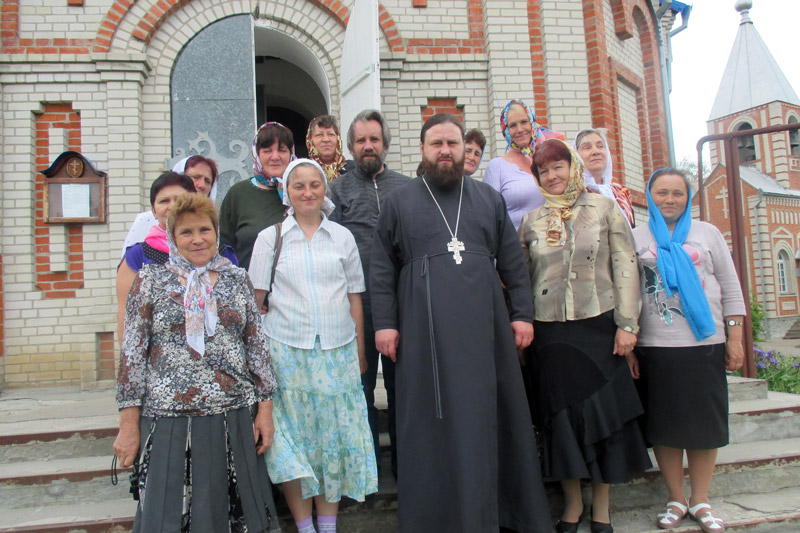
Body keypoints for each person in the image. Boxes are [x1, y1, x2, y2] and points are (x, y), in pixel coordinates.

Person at [369, 113, 551, 532]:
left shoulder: (488, 198)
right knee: (430, 422)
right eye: (437, 145)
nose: (446, 152)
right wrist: (385, 324)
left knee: (490, 416)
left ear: (464, 149)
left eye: (453, 144)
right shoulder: (399, 201)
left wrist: (522, 314)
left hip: (485, 330)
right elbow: (381, 268)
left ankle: (498, 513)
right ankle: (437, 517)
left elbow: (513, 262)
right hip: (421, 330)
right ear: (422, 150)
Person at [113, 193, 280, 532]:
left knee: (235, 514)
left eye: (205, 229)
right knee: (169, 516)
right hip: (169, 421)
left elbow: (257, 349)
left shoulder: (237, 279)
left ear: (217, 233)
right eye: (186, 232)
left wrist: (265, 412)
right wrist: (128, 426)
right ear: (173, 238)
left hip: (232, 416)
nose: (198, 239)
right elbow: (132, 355)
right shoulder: (151, 281)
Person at [519, 139, 651, 533]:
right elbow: (523, 280)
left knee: (602, 419)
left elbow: (626, 265)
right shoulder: (531, 222)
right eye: (543, 171)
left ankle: (602, 509)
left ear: (572, 167)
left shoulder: (604, 209)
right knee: (561, 421)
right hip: (550, 335)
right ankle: (573, 504)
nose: (552, 176)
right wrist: (522, 328)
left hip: (599, 326)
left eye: (558, 167)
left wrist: (628, 325)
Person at [249, 159, 378, 533]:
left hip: (337, 352)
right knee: (295, 446)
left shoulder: (342, 237)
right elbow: (255, 304)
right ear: (286, 192)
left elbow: (355, 296)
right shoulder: (270, 238)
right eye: (298, 186)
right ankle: (305, 527)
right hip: (286, 354)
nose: (308, 192)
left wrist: (359, 349)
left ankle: (328, 524)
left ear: (325, 190)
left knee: (331, 443)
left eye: (314, 185)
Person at [630, 169, 745, 533]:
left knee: (704, 428)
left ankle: (701, 499)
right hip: (657, 347)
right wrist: (630, 341)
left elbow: (730, 283)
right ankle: (676, 498)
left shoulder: (707, 233)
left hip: (703, 344)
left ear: (688, 197)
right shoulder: (635, 236)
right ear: (650, 196)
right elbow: (627, 291)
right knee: (664, 428)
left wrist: (736, 336)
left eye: (677, 193)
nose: (670, 199)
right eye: (662, 192)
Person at [328, 109, 409, 480]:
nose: (368, 146)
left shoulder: (407, 189)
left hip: (401, 304)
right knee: (360, 388)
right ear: (351, 147)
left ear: (385, 145)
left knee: (402, 388)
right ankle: (369, 468)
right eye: (360, 140)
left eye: (374, 139)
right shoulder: (337, 191)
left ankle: (405, 465)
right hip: (357, 307)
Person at [116, 172, 238, 346]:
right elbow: (126, 316)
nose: (172, 206)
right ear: (153, 210)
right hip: (164, 362)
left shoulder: (221, 254)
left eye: (179, 199)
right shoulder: (137, 256)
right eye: (164, 201)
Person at [220, 122, 292, 270]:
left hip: (294, 289)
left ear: (291, 153)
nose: (275, 157)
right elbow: (224, 249)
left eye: (282, 150)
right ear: (256, 154)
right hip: (249, 288)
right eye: (267, 150)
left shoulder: (301, 192)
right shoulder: (238, 194)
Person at [483, 98, 564, 229]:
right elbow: (487, 216)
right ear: (506, 131)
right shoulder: (497, 166)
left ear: (532, 123)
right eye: (513, 125)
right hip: (515, 246)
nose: (520, 129)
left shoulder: (549, 160)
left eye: (524, 122)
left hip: (552, 243)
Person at [120, 155, 220, 257]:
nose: (202, 185)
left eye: (207, 181)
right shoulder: (145, 220)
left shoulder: (211, 223)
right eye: (195, 177)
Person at [574, 128, 635, 227]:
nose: (596, 152)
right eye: (587, 147)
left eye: (600, 146)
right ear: (576, 155)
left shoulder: (621, 193)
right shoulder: (572, 194)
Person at [305, 114, 353, 181]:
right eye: (319, 135)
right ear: (310, 140)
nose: (326, 139)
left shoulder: (354, 170)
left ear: (338, 138)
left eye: (331, 134)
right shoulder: (303, 171)